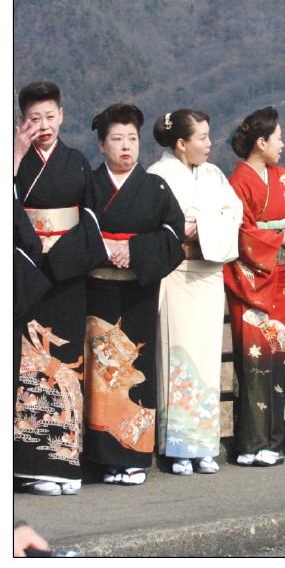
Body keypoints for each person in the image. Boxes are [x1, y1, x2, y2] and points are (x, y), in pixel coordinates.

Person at [13, 82, 106, 497]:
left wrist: (59, 259)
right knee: (31, 370)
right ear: (22, 121)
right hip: (27, 276)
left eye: (51, 116)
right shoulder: (14, 161)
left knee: (67, 364)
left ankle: (65, 463)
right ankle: (32, 466)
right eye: (35, 118)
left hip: (65, 276)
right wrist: (14, 159)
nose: (44, 125)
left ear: (63, 115)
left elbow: (90, 219)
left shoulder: (76, 163)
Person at [85, 103, 185, 486]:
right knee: (101, 372)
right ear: (101, 145)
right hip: (97, 289)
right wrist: (104, 249)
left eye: (132, 139)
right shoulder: (89, 186)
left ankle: (135, 455)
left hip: (139, 291)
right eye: (117, 139)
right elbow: (78, 229)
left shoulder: (155, 188)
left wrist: (137, 250)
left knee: (136, 370)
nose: (126, 147)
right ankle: (103, 456)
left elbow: (174, 236)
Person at [148, 109, 242, 476]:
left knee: (206, 355)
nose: (208, 143)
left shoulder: (215, 174)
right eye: (201, 137)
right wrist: (203, 220)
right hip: (177, 272)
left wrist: (199, 223)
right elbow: (158, 223)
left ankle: (204, 443)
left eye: (208, 136)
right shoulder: (158, 176)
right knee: (178, 355)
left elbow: (234, 212)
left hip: (208, 271)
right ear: (181, 144)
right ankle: (176, 446)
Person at [224, 106, 285, 467]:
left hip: (278, 282)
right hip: (250, 281)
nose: (282, 145)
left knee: (277, 358)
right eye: (277, 138)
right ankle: (250, 443)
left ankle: (272, 442)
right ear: (260, 142)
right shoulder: (237, 183)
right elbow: (241, 232)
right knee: (252, 359)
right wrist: (283, 236)